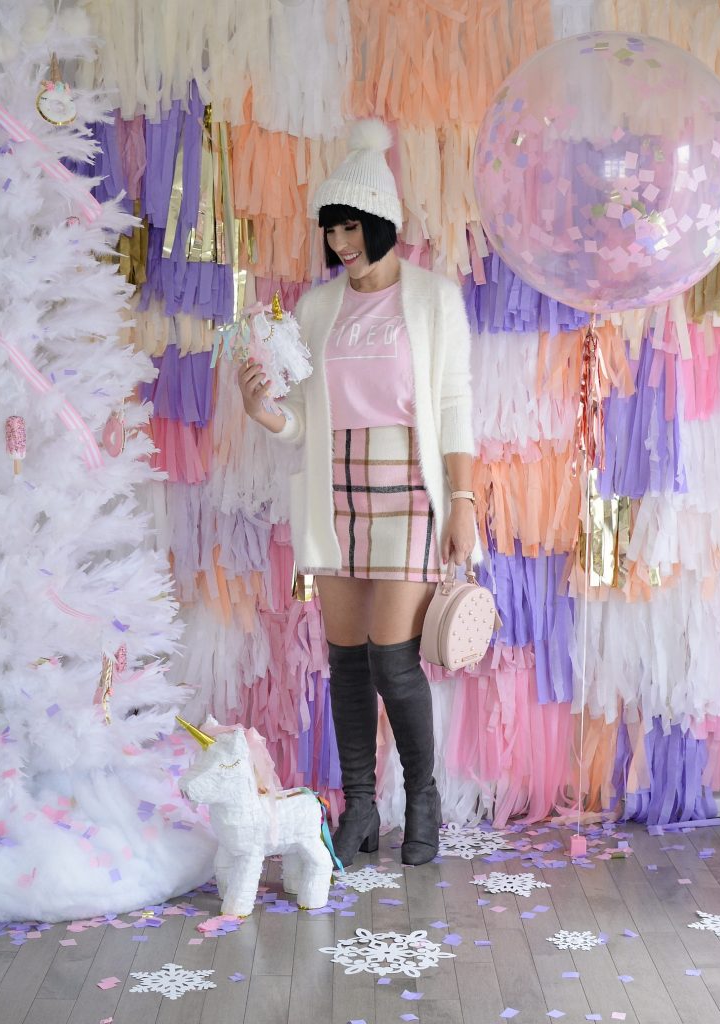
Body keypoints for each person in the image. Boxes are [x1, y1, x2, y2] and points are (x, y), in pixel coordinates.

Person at [238, 119, 476, 867]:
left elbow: (456, 408)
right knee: (344, 660)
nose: (341, 244)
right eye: (332, 231)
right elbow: (305, 417)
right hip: (335, 488)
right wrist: (265, 412)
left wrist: (463, 504)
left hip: (409, 484)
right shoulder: (316, 309)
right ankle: (361, 808)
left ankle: (425, 800)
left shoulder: (435, 299)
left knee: (392, 661)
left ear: (382, 224)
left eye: (352, 228)